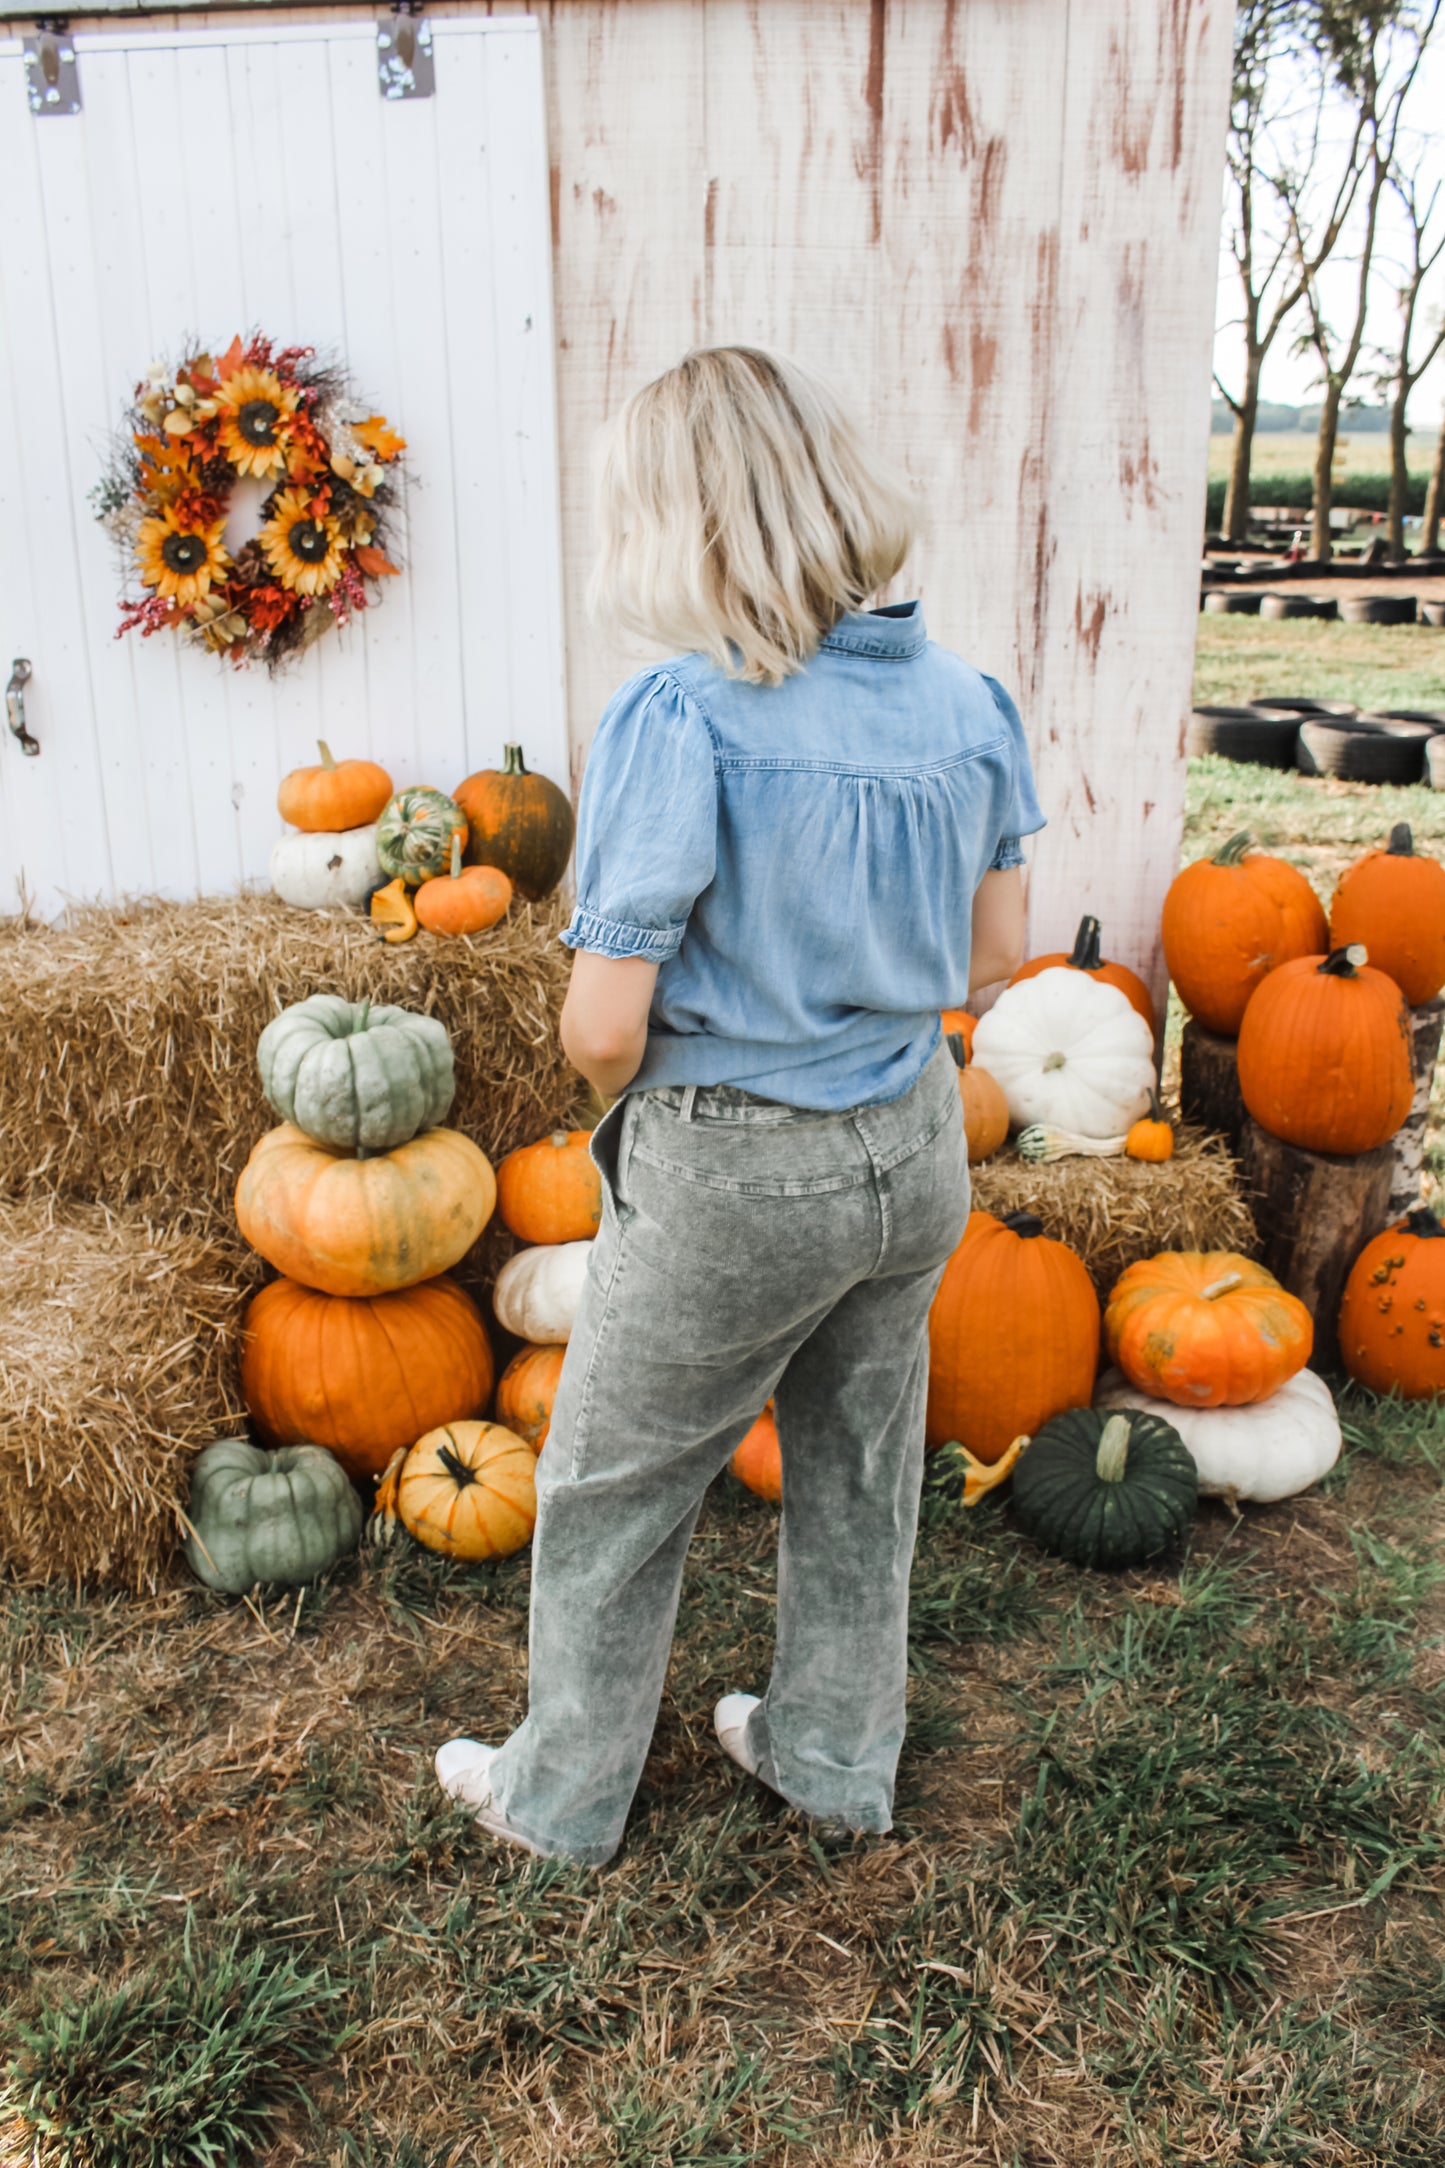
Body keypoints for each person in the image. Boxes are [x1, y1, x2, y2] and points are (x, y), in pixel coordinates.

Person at [435, 346, 1044, 1866]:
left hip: (737, 1163)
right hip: (912, 1147)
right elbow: (998, 955)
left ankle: (558, 1798)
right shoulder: (970, 700)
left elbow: (601, 1017)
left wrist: (625, 1100)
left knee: (608, 1486)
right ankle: (833, 1757)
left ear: (681, 523)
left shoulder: (682, 713)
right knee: (856, 1468)